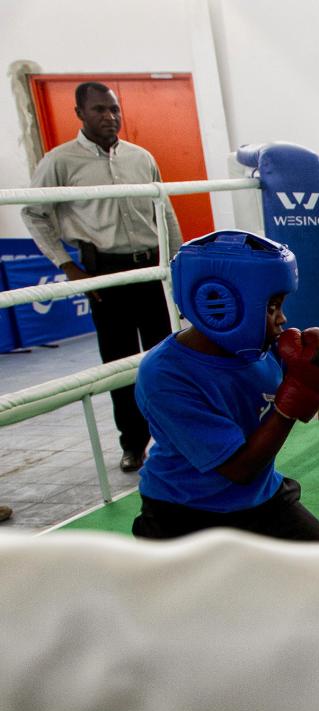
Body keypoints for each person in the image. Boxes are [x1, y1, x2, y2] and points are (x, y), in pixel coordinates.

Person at [56, 230, 319, 711]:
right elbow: (236, 465)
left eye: (281, 305)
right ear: (220, 302)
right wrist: (296, 394)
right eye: (272, 306)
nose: (280, 318)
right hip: (184, 518)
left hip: (261, 503)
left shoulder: (259, 347)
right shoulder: (166, 374)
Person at [22, 81, 182, 473]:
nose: (109, 117)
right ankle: (133, 444)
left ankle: (176, 439)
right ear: (79, 113)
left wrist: (177, 262)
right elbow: (33, 212)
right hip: (104, 273)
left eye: (114, 109)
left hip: (151, 268)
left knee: (166, 357)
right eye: (99, 110)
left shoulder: (141, 157)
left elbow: (164, 211)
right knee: (119, 363)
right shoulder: (60, 162)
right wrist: (67, 265)